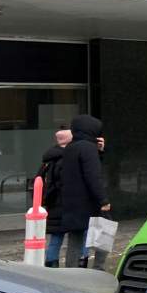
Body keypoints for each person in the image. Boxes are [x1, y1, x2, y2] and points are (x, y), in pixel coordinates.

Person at [59, 114, 111, 268]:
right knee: (104, 233)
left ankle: (71, 272)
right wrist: (104, 200)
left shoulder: (71, 147)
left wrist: (99, 152)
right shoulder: (88, 148)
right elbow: (93, 175)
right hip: (90, 200)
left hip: (72, 201)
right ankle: (99, 269)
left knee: (75, 240)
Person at [38, 128, 72, 268]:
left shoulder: (49, 158)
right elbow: (65, 182)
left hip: (53, 203)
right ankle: (79, 264)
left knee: (56, 238)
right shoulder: (66, 158)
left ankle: (51, 264)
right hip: (65, 203)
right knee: (79, 236)